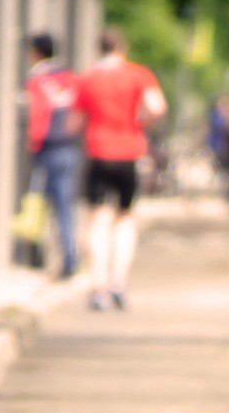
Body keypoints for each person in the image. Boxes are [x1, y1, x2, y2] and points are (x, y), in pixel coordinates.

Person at [76, 27, 167, 310]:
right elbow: (157, 106)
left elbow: (73, 121)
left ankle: (98, 286)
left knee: (98, 220)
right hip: (129, 152)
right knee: (125, 219)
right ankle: (119, 281)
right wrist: (140, 124)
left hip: (98, 151)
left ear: (98, 49)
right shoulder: (138, 74)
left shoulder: (88, 78)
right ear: (122, 49)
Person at [25, 32, 82, 279]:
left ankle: (41, 256)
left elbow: (37, 114)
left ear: (36, 52)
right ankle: (70, 256)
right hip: (68, 147)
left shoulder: (37, 79)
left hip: (46, 148)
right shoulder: (69, 78)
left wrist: (33, 143)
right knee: (64, 205)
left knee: (39, 203)